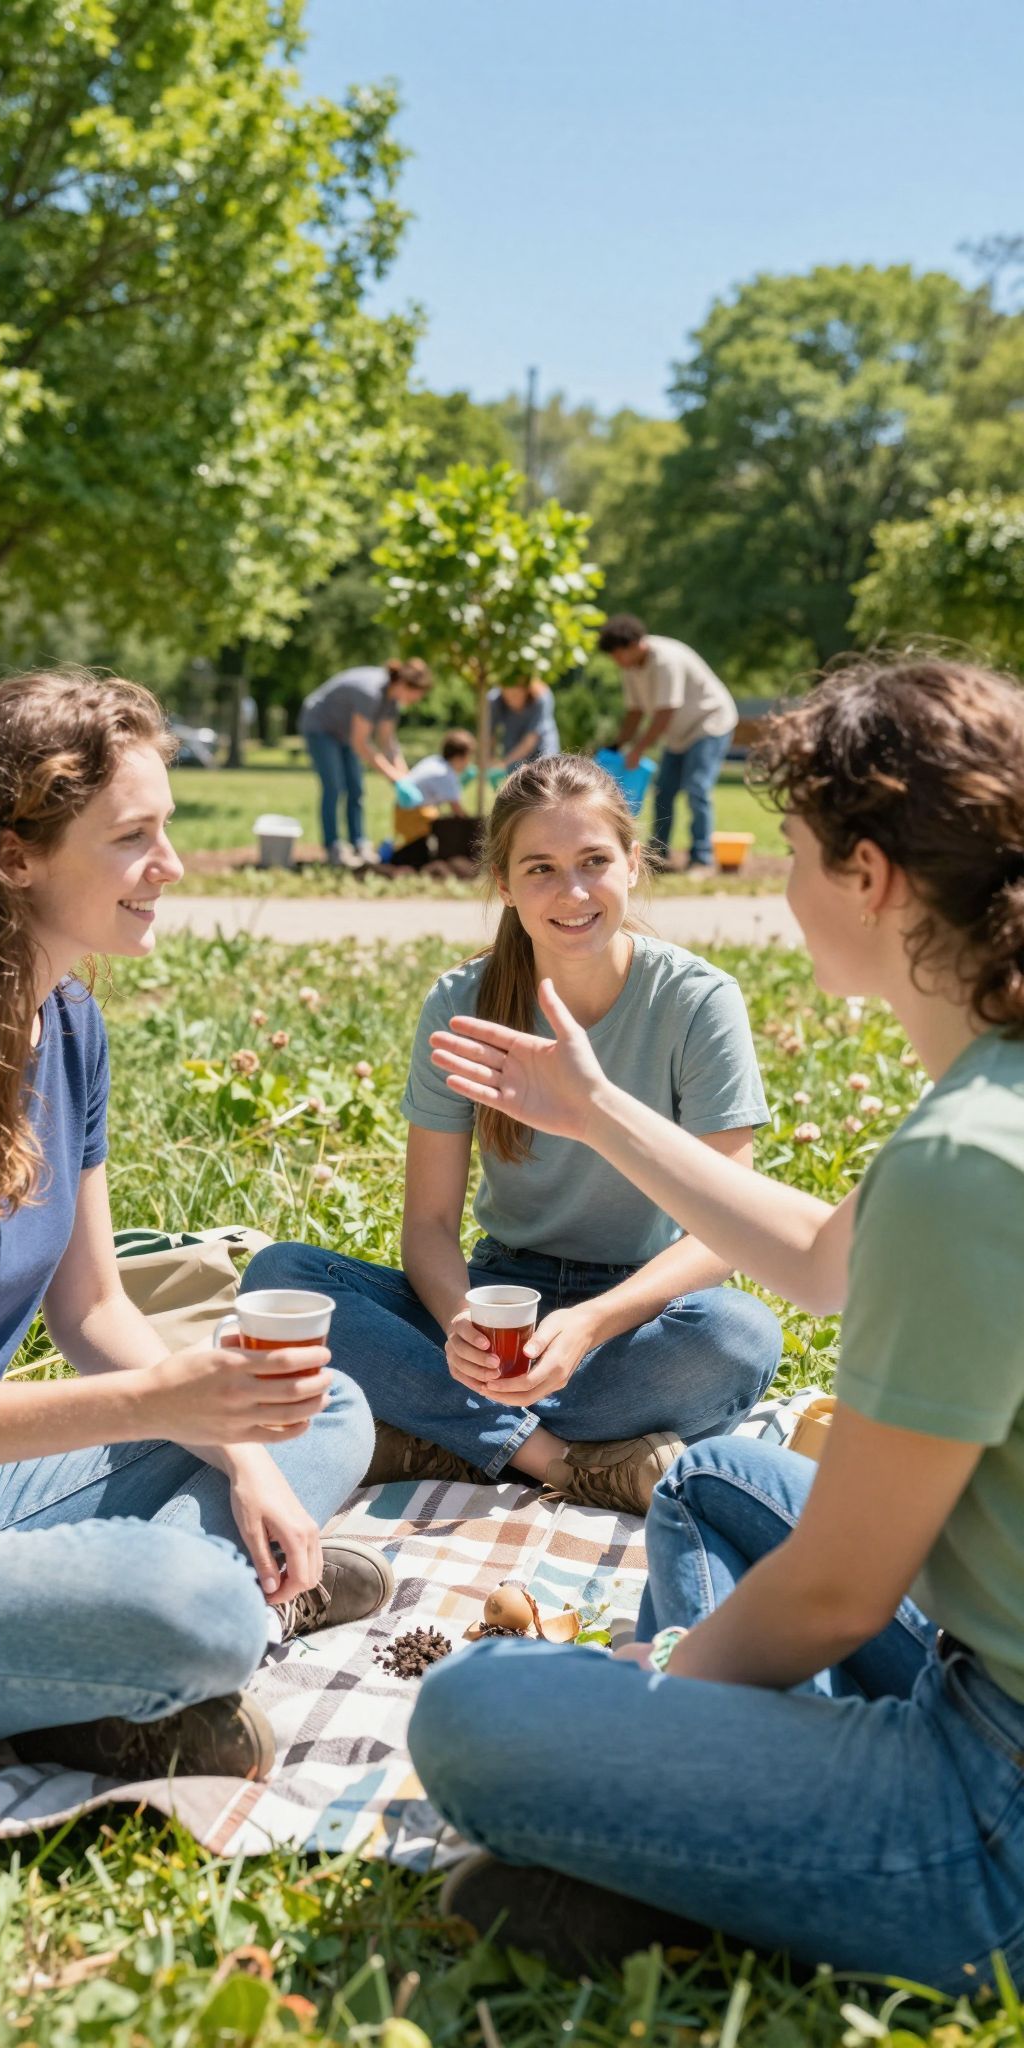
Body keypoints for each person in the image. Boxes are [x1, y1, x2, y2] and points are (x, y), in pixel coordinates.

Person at [409, 657, 1024, 1993]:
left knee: (471, 1717)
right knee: (720, 1476)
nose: (778, 884)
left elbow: (837, 1592)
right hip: (981, 1670)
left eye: (794, 852)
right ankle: (729, 1804)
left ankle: (704, 1848)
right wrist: (597, 1109)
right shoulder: (985, 1099)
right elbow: (814, 1259)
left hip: (996, 1814)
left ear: (870, 876)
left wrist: (647, 1708)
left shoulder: (966, 1162)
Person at [0, 670, 387, 1781]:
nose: (173, 864)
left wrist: (239, 1459)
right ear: (15, 854)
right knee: (197, 1600)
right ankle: (156, 1629)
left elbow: (96, 1307)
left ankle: (80, 1652)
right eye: (134, 836)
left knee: (316, 1407)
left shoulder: (67, 1018)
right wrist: (160, 1404)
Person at [246, 754, 780, 1513]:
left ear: (632, 863)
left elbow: (729, 1233)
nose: (573, 892)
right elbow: (428, 1224)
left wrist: (589, 1325)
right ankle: (559, 1460)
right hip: (498, 1300)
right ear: (503, 884)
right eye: (541, 869)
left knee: (740, 1337)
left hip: (637, 1313)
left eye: (595, 861)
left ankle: (443, 1435)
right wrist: (464, 1325)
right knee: (280, 1277)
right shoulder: (463, 1002)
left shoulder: (698, 1003)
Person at [598, 615, 737, 876]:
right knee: (664, 790)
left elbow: (665, 712)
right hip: (678, 733)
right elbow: (635, 712)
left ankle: (702, 859)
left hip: (709, 723)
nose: (616, 661)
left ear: (634, 645)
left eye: (618, 654)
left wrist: (639, 749)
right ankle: (659, 855)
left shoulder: (666, 659)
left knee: (697, 788)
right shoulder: (630, 669)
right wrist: (617, 745)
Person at [298, 657, 431, 864]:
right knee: (334, 786)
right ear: (404, 684)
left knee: (356, 788)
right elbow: (361, 743)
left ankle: (359, 843)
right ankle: (333, 847)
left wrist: (406, 778)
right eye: (416, 695)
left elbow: (388, 743)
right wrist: (394, 779)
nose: (416, 701)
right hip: (321, 726)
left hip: (345, 733)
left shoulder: (392, 702)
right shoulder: (371, 692)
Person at [392, 728, 476, 851]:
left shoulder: (435, 760)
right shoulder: (446, 774)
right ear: (459, 758)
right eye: (468, 758)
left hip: (401, 810)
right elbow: (457, 810)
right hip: (411, 816)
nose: (468, 763)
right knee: (416, 848)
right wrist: (473, 828)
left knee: (436, 816)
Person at [488, 678, 560, 771]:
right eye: (508, 696)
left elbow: (530, 740)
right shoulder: (494, 700)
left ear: (527, 689)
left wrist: (504, 764)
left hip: (543, 748)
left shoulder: (541, 697)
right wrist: (489, 760)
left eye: (516, 695)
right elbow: (489, 734)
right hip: (513, 748)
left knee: (544, 775)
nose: (512, 700)